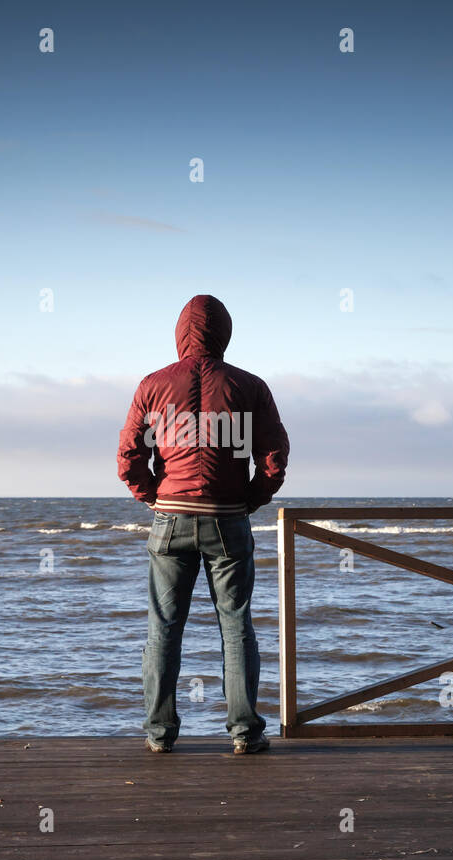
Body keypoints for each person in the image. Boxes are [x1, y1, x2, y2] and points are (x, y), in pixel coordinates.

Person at [117, 294, 289, 755]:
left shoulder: (153, 385)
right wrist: (247, 500)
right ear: (225, 334)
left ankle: (159, 733)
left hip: (170, 521)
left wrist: (155, 496)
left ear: (179, 333)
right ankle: (245, 732)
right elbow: (273, 459)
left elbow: (130, 456)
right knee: (236, 626)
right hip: (228, 522)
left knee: (163, 628)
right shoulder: (249, 386)